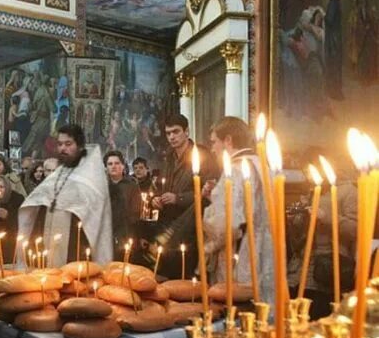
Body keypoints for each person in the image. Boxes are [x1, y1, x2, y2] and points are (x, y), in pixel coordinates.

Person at [202, 117, 274, 305]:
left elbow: (225, 226)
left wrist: (205, 247)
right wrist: (214, 197)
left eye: (214, 142)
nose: (212, 148)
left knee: (238, 316)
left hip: (239, 255)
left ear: (228, 140)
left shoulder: (234, 170)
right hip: (265, 248)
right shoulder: (263, 165)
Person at [19, 124, 113, 266]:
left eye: (68, 144)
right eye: (60, 144)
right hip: (49, 236)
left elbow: (95, 215)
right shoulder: (59, 171)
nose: (63, 148)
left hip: (75, 241)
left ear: (80, 146)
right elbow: (42, 198)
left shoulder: (90, 176)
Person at [152, 114, 219, 279]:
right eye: (168, 133)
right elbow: (162, 186)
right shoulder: (168, 157)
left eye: (175, 132)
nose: (172, 137)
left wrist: (178, 198)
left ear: (187, 131)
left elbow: (211, 192)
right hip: (168, 226)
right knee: (167, 278)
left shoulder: (202, 156)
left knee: (186, 280)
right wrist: (157, 198)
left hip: (191, 227)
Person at [304, 163, 357, 319]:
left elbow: (354, 229)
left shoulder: (349, 191)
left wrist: (325, 216)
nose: (307, 176)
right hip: (303, 271)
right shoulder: (313, 191)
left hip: (329, 268)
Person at [104, 150, 141, 255]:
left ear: (123, 166)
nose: (113, 166)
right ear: (106, 167)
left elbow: (136, 212)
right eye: (110, 164)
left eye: (117, 163)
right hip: (106, 234)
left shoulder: (131, 185)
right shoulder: (102, 186)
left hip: (126, 233)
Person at [324, 0, 344, 99]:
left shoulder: (334, 1)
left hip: (333, 38)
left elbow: (330, 19)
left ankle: (334, 92)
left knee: (333, 64)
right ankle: (335, 91)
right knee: (335, 64)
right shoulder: (336, 0)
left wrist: (323, 17)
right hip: (336, 36)